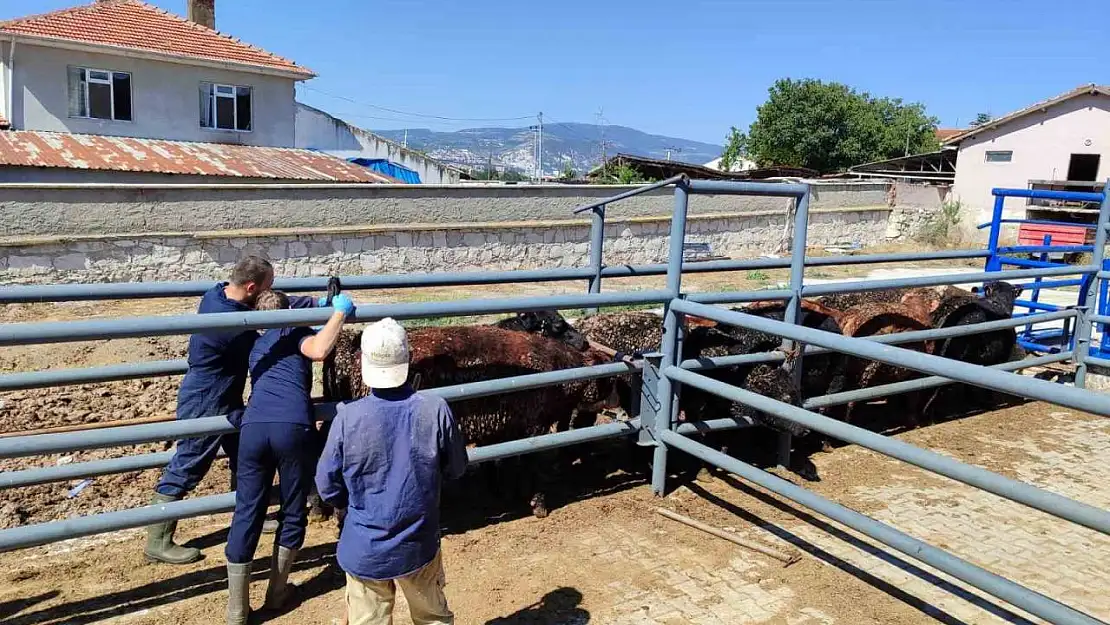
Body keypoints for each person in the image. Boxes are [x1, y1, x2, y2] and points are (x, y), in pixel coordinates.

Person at [145, 256, 323, 565]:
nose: (271, 292)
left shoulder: (218, 293)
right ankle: (157, 539)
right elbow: (272, 329)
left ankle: (251, 513)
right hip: (207, 397)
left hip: (227, 393)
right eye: (268, 287)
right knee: (191, 460)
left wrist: (317, 300)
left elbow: (272, 304)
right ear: (252, 287)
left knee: (245, 454)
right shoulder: (230, 323)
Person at [316, 318, 468, 625]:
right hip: (418, 543)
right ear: (408, 361)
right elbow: (457, 467)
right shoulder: (435, 409)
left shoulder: (348, 418)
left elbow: (327, 485)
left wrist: (354, 502)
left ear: (366, 365)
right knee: (433, 617)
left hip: (365, 546)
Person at [225, 289, 356, 625]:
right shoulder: (297, 332)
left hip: (253, 429)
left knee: (247, 512)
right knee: (292, 510)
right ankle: (277, 593)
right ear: (289, 312)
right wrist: (338, 313)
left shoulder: (257, 343)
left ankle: (237, 610)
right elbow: (320, 349)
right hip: (292, 429)